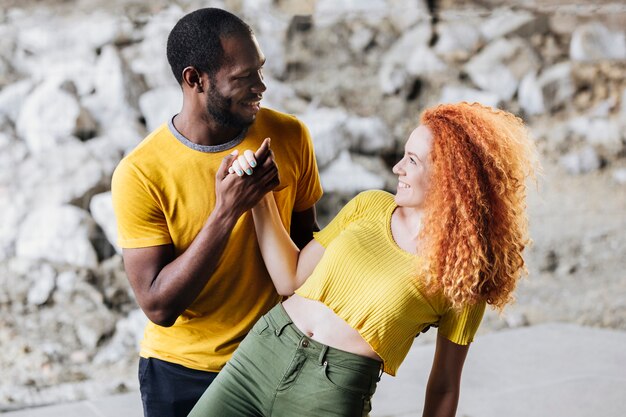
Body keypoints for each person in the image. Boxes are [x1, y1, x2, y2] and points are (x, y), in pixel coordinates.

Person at [188, 102, 538, 417]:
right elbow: (290, 279)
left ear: (451, 178)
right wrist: (259, 192)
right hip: (263, 353)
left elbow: (444, 384)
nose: (398, 167)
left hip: (332, 391)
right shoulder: (369, 205)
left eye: (412, 160)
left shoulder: (464, 275)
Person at [110, 8, 322, 417]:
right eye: (243, 78)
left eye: (259, 71)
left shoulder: (290, 135)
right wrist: (227, 211)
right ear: (195, 80)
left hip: (279, 357)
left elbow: (306, 246)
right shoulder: (140, 173)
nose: (260, 87)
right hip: (184, 373)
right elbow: (158, 306)